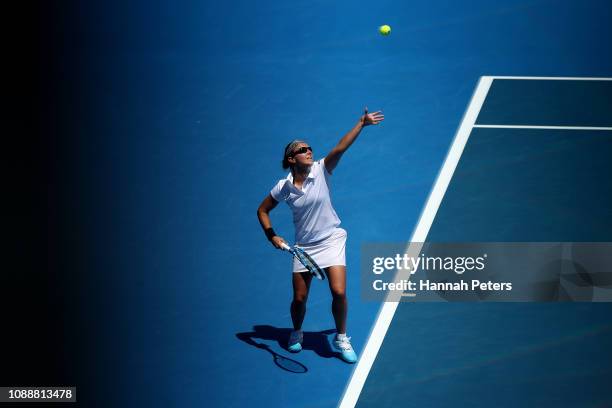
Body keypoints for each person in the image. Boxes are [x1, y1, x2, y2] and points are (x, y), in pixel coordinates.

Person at [256, 107, 384, 363]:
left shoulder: (321, 170)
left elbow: (340, 148)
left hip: (332, 239)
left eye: (309, 148)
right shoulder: (283, 187)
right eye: (302, 149)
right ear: (291, 159)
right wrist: (272, 236)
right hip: (303, 247)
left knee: (338, 291)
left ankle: (341, 336)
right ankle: (296, 331)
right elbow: (262, 210)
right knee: (300, 299)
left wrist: (361, 124)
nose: (309, 151)